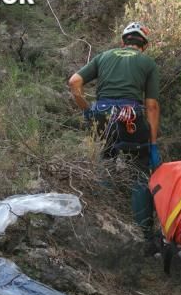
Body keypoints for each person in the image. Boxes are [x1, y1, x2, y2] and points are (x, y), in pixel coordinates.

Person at [68, 22, 161, 254]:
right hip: (131, 117)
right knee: (139, 174)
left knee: (106, 162)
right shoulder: (147, 62)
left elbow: (74, 82)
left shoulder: (103, 56)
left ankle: (102, 223)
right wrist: (153, 143)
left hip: (102, 114)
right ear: (144, 46)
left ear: (123, 41)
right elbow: (152, 106)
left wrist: (87, 110)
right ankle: (145, 237)